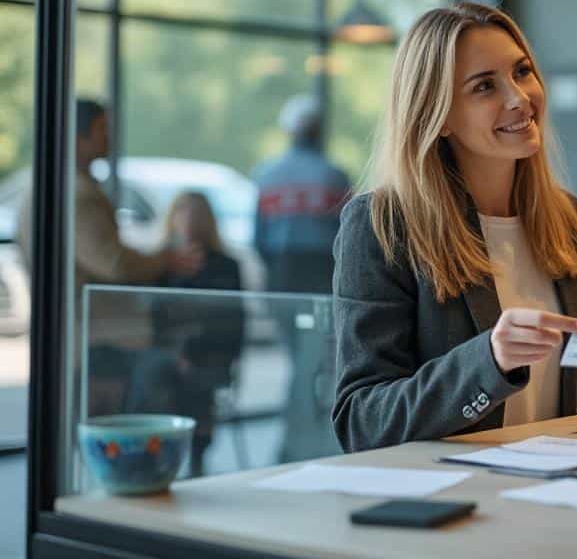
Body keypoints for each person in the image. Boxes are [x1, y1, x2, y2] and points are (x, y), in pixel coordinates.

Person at [331, 2, 577, 451]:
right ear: (436, 116)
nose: (519, 97)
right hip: (455, 502)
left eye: (522, 72)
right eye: (484, 87)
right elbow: (362, 421)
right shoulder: (383, 225)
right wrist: (489, 362)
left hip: (557, 491)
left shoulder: (567, 219)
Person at [16, 99, 201, 351]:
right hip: (94, 336)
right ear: (78, 136)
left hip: (80, 332)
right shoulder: (75, 194)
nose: (109, 137)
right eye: (102, 129)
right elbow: (114, 264)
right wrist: (165, 260)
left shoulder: (55, 185)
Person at [129, 191, 245, 476]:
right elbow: (153, 321)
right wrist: (175, 352)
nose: (188, 221)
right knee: (154, 373)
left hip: (209, 355)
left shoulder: (226, 267)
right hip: (167, 353)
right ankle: (153, 454)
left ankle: (194, 456)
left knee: (192, 379)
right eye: (181, 212)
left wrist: (191, 352)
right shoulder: (162, 266)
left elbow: (231, 324)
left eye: (195, 214)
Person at [252, 94, 350, 294]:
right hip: (325, 265)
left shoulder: (266, 175)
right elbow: (346, 234)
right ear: (319, 130)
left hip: (281, 263)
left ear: (288, 130)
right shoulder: (336, 176)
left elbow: (259, 235)